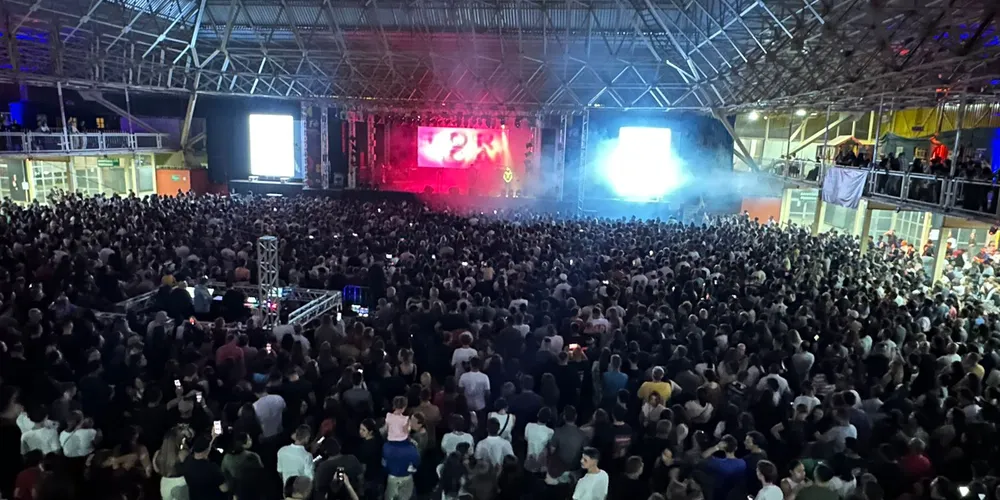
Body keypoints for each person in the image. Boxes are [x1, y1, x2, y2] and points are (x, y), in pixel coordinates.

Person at [181, 434, 228, 500]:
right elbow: (224, 489)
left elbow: (207, 447)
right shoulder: (212, 468)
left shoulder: (187, 461)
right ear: (208, 450)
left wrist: (213, 437)